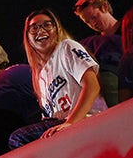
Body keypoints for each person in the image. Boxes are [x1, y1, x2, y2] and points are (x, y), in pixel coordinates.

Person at [8, 10, 108, 148]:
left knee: (18, 138)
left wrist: (70, 123)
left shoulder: (66, 47)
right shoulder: (40, 76)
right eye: (34, 28)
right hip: (63, 128)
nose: (41, 30)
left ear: (56, 29)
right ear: (27, 37)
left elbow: (93, 86)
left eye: (47, 25)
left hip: (87, 120)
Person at [73, 0, 123, 107]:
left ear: (104, 7)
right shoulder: (94, 45)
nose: (93, 24)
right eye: (87, 22)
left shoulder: (129, 28)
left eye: (94, 17)